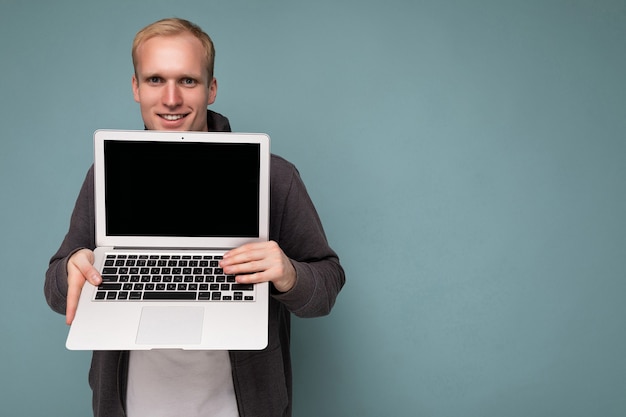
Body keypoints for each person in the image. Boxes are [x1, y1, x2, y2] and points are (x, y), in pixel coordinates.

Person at [44, 17, 345, 417]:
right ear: (135, 88)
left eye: (187, 80)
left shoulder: (275, 177)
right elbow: (55, 289)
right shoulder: (104, 175)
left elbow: (326, 285)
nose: (171, 98)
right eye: (155, 80)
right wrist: (71, 270)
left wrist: (290, 274)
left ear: (211, 89)